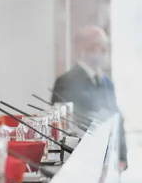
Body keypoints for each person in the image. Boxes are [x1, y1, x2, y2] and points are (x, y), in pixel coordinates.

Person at [52, 25, 127, 165]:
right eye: (97, 45)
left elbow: (117, 117)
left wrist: (122, 157)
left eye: (105, 45)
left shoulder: (107, 82)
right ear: (80, 49)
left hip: (109, 160)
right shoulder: (67, 81)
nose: (103, 50)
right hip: (83, 163)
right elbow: (63, 128)